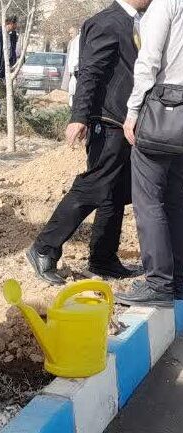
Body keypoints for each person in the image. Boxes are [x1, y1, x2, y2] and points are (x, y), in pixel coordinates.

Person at [27, 0, 150, 286]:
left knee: (115, 192)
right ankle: (44, 248)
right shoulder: (107, 21)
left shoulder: (134, 23)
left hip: (124, 122)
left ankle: (103, 259)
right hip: (106, 121)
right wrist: (79, 116)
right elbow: (90, 73)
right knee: (94, 186)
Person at [118, 0, 183, 307]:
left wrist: (132, 111)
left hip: (163, 108)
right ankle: (179, 280)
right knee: (175, 198)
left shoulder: (165, 5)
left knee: (148, 198)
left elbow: (148, 61)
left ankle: (158, 282)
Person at [62, 27, 81, 107]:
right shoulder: (71, 41)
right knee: (71, 87)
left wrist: (73, 67)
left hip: (76, 69)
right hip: (71, 68)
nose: (70, 35)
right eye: (69, 33)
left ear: (76, 32)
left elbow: (76, 55)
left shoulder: (78, 41)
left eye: (71, 33)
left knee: (75, 88)